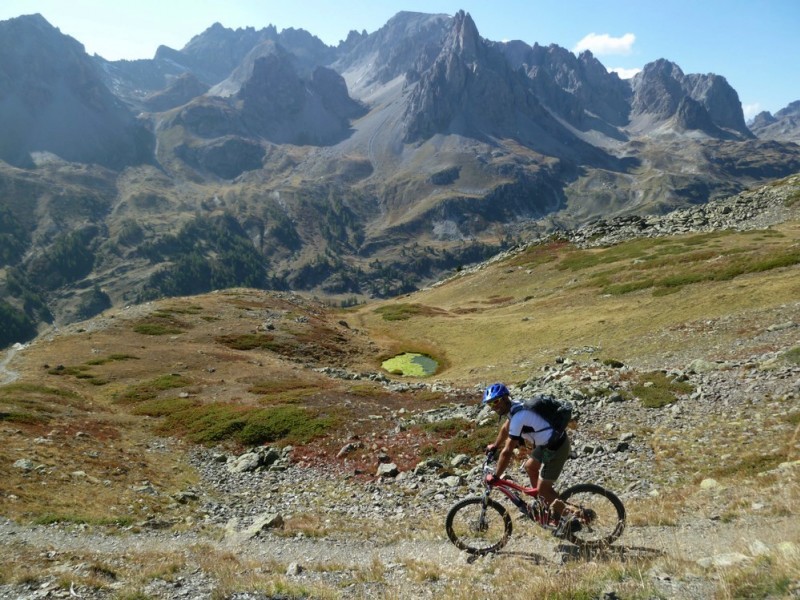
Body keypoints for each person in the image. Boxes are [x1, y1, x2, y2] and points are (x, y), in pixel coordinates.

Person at [482, 382, 572, 521]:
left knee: (543, 490)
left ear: (506, 398)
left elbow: (507, 451)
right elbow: (506, 429)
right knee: (530, 467)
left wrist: (496, 476)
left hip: (556, 447)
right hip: (546, 444)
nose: (494, 406)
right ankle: (546, 503)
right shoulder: (514, 408)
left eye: (496, 401)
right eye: (490, 404)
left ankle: (572, 519)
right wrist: (494, 445)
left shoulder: (519, 417)